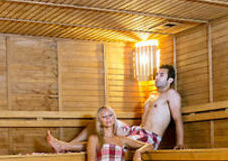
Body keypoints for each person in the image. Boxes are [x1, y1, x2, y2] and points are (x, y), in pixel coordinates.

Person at [47, 64, 184, 152]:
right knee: (99, 120)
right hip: (136, 131)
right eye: (157, 74)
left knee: (107, 142)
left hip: (149, 139)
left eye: (161, 75)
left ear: (170, 80)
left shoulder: (171, 95)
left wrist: (180, 143)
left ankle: (64, 146)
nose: (157, 77)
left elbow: (178, 120)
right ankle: (68, 147)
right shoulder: (152, 96)